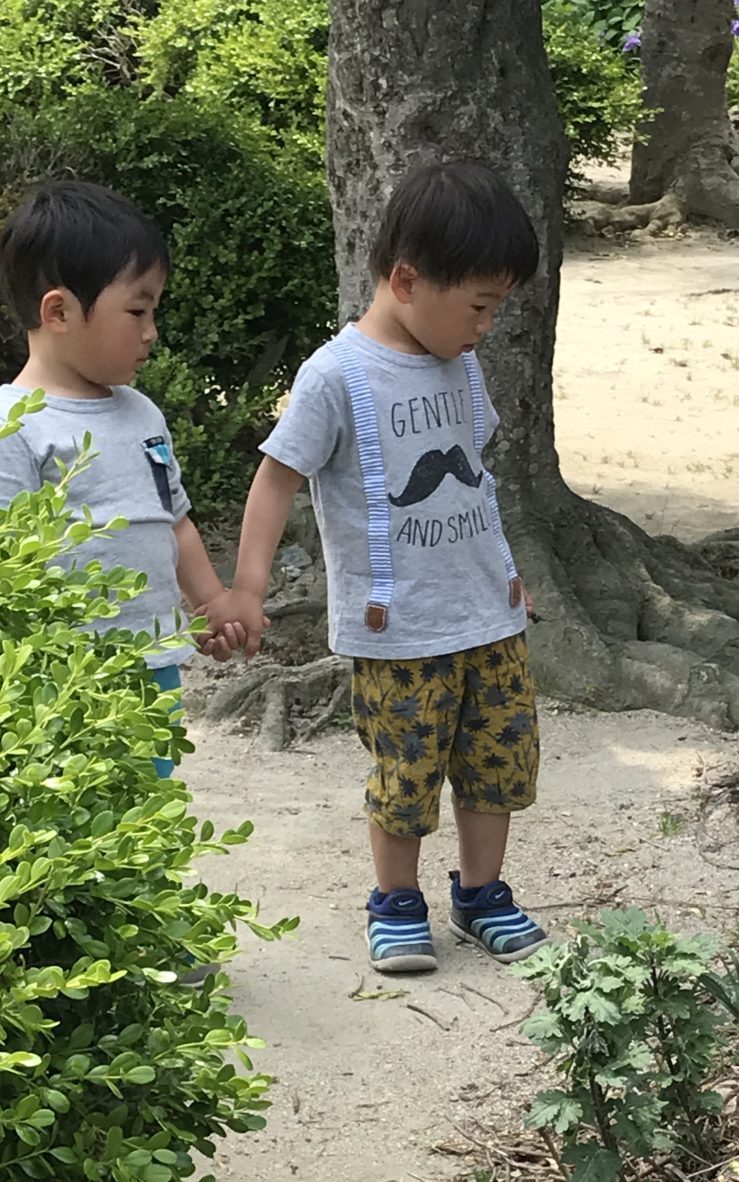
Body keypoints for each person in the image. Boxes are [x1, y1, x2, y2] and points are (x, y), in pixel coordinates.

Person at [204, 160, 548, 973]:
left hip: (489, 615)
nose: (486, 327)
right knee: (406, 768)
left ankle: (481, 896)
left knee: (498, 761)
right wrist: (246, 587)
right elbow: (277, 477)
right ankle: (396, 903)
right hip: (399, 628)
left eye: (496, 309)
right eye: (479, 306)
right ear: (407, 281)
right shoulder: (337, 376)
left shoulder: (460, 363)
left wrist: (504, 573)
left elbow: (471, 478)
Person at [0, 180, 255, 778]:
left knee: (149, 811)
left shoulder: (142, 414)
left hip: (154, 666)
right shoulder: (8, 429)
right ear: (59, 312)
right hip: (64, 683)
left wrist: (211, 602)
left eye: (154, 312)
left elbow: (172, 521)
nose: (151, 331)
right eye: (137, 311)